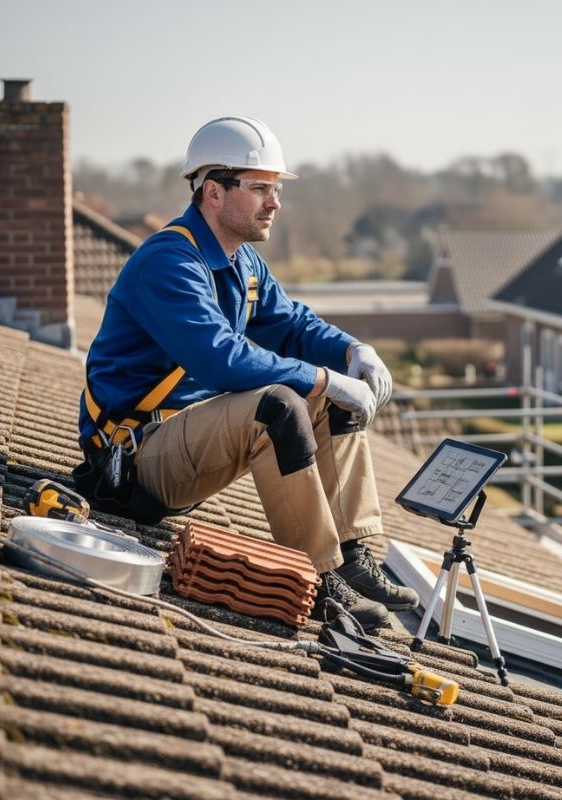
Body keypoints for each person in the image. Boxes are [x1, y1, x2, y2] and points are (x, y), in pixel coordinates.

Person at [77, 116, 418, 630]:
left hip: (190, 440)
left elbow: (293, 324)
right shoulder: (169, 262)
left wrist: (352, 351)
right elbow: (222, 359)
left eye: (276, 189)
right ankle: (319, 582)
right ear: (213, 192)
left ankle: (352, 555)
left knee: (329, 396)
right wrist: (325, 378)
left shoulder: (241, 263)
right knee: (279, 404)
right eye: (261, 189)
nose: (274, 203)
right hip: (132, 462)